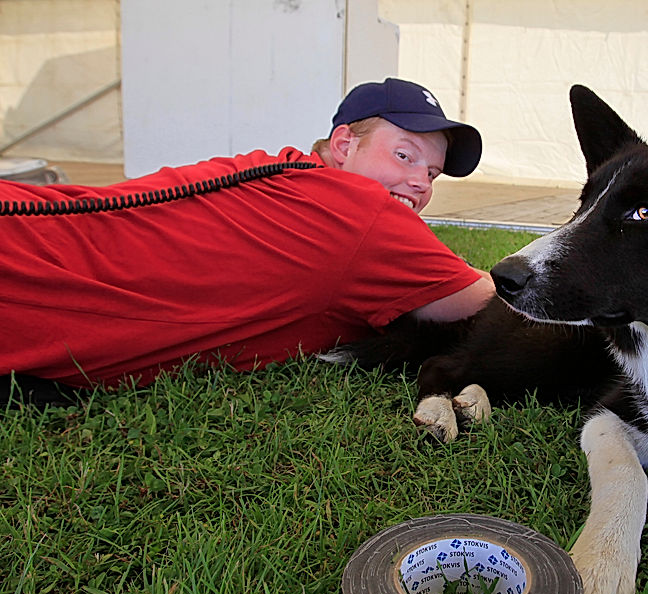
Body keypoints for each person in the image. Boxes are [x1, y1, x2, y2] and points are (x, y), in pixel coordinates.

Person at [0, 78, 493, 398]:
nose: (420, 183)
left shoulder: (277, 168)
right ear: (344, 144)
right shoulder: (362, 213)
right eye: (404, 156)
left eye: (432, 173)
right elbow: (498, 300)